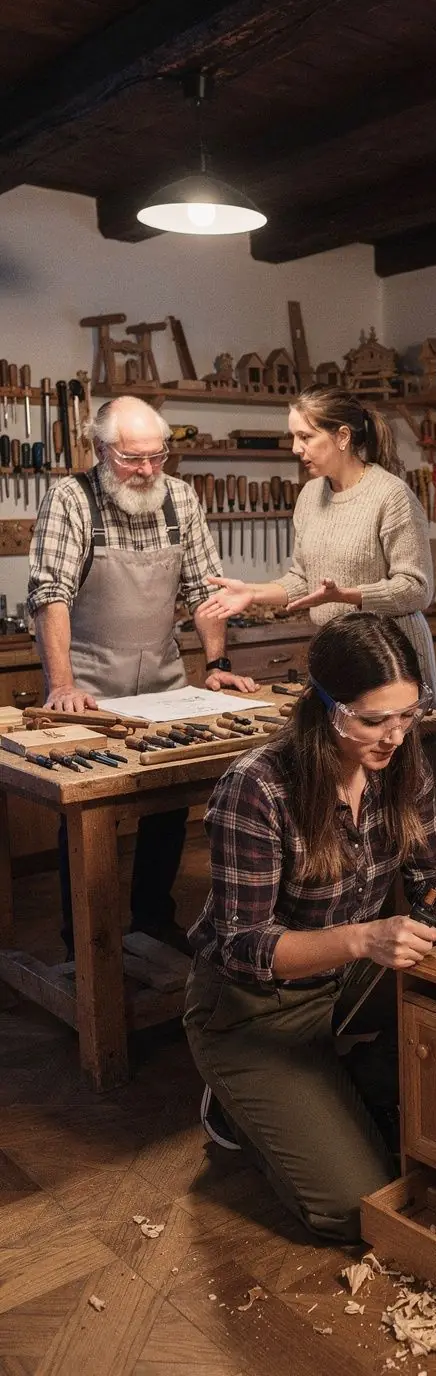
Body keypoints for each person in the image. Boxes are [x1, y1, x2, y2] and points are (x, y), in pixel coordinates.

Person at [184, 611, 436, 1242]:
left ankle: (339, 1083)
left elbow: (431, 876)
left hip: (348, 984)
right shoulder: (258, 787)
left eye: (407, 715)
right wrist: (364, 938)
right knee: (352, 1209)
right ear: (326, 708)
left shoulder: (400, 765)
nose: (394, 736)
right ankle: (237, 1107)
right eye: (373, 720)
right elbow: (242, 946)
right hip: (256, 1007)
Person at [27, 396, 258, 956]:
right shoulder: (71, 499)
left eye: (158, 457)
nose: (148, 470)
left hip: (162, 676)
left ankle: (153, 918)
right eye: (133, 459)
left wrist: (217, 664)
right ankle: (84, 943)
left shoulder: (179, 497)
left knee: (169, 801)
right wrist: (62, 684)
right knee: (88, 812)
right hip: (89, 683)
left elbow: (205, 589)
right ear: (100, 449)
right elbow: (50, 594)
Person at [196, 384, 436, 800]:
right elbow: (302, 579)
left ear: (342, 436)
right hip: (340, 658)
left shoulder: (391, 496)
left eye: (306, 436)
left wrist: (347, 596)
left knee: (398, 793)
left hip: (392, 661)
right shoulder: (310, 495)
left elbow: (417, 589)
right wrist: (251, 592)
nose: (296, 448)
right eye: (293, 436)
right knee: (340, 790)